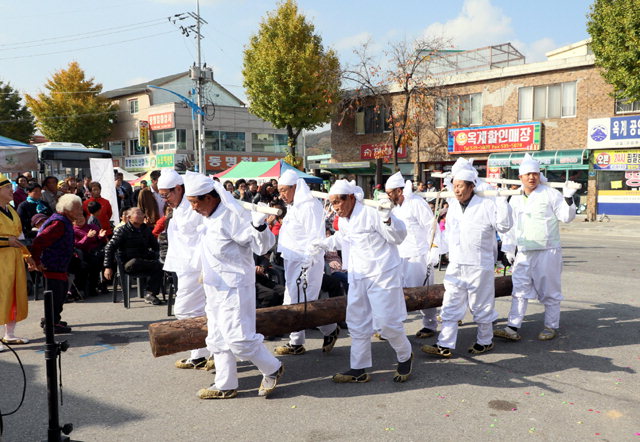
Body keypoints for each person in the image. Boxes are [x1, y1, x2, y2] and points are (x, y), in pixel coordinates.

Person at [184, 172, 283, 399]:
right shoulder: (208, 216)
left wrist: (259, 226)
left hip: (234, 287)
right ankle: (225, 384)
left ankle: (272, 368)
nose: (193, 208)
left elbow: (262, 246)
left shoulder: (233, 216)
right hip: (214, 286)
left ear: (209, 198)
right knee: (217, 337)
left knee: (240, 339)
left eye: (195, 203)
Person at [311, 179, 413, 384]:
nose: (335, 208)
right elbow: (344, 239)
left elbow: (398, 237)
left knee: (387, 323)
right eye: (332, 203)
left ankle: (405, 355)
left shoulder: (372, 211)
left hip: (382, 274)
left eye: (337, 202)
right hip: (357, 275)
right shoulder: (345, 219)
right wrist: (323, 243)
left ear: (350, 198)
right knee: (357, 323)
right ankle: (358, 368)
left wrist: (388, 219)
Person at [421, 158, 512, 358]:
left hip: (479, 264)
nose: (457, 190)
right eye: (455, 186)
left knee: (481, 305)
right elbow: (448, 232)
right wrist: (438, 251)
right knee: (450, 303)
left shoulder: (486, 203)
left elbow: (504, 226)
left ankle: (485, 340)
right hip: (456, 263)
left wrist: (502, 201)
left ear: (471, 187)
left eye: (461, 186)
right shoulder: (453, 205)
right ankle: (444, 344)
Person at [494, 154, 577, 342]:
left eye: (535, 174)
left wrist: (568, 198)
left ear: (540, 175)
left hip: (547, 250)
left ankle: (551, 326)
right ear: (520, 177)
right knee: (519, 289)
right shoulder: (515, 198)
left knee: (550, 291)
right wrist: (508, 248)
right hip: (524, 251)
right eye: (528, 174)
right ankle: (512, 326)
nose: (532, 177)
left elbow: (566, 217)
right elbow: (511, 226)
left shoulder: (550, 193)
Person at [273, 169, 339, 356]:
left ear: (295, 187)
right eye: (280, 191)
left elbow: (315, 237)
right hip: (292, 260)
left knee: (304, 305)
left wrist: (307, 263)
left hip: (307, 262)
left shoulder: (309, 205)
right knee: (292, 302)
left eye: (284, 190)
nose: (281, 195)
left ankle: (326, 330)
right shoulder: (295, 205)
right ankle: (298, 342)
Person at [157, 168, 213, 371]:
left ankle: (210, 349)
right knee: (196, 310)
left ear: (178, 188)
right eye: (162, 196)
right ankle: (200, 353)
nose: (165, 200)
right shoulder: (179, 207)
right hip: (184, 265)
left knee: (184, 309)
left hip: (196, 265)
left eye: (166, 195)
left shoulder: (194, 206)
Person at [385, 172, 441, 339]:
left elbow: (432, 227)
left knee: (423, 293)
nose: (388, 196)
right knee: (397, 293)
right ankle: (394, 327)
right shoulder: (394, 207)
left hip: (418, 254)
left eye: (390, 193)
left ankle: (430, 324)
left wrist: (434, 249)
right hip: (399, 255)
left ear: (399, 191)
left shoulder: (416, 203)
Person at [31, 194, 83, 334]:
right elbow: (39, 241)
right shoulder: (59, 223)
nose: (81, 211)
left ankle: (51, 320)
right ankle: (52, 324)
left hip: (58, 265)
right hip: (52, 264)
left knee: (59, 293)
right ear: (67, 209)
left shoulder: (64, 220)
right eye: (77, 208)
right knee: (56, 296)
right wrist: (36, 261)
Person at [0, 174, 37, 351]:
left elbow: (20, 236)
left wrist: (27, 256)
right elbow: (11, 238)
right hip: (1, 259)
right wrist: (6, 241)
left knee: (14, 294)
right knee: (1, 295)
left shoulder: (12, 210)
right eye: (7, 187)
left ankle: (9, 334)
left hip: (14, 258)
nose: (12, 190)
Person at [103, 207, 164, 305]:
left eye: (142, 213)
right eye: (137, 213)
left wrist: (159, 256)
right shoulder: (122, 230)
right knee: (136, 261)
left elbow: (156, 247)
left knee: (160, 264)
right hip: (129, 263)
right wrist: (108, 266)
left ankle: (151, 294)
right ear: (129, 217)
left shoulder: (145, 229)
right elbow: (109, 248)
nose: (141, 215)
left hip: (144, 260)